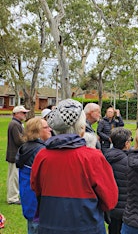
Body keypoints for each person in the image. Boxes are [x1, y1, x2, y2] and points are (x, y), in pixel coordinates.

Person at [31, 99, 118, 234]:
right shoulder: (93, 157)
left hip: (50, 225)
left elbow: (36, 189)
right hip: (87, 226)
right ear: (81, 127)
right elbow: (110, 199)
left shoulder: (42, 156)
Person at [16, 117, 52, 234]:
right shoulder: (40, 151)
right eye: (46, 127)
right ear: (37, 131)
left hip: (28, 197)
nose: (50, 129)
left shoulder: (25, 147)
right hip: (37, 201)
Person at [105, 127, 132, 234]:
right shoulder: (128, 162)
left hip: (110, 206)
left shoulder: (105, 157)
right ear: (126, 144)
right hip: (125, 207)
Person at [6, 105, 29, 204]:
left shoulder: (16, 123)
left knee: (14, 176)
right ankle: (12, 198)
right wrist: (28, 140)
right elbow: (18, 140)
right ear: (16, 114)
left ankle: (13, 196)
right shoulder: (15, 124)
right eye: (23, 113)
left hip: (15, 154)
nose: (25, 115)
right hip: (14, 155)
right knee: (14, 177)